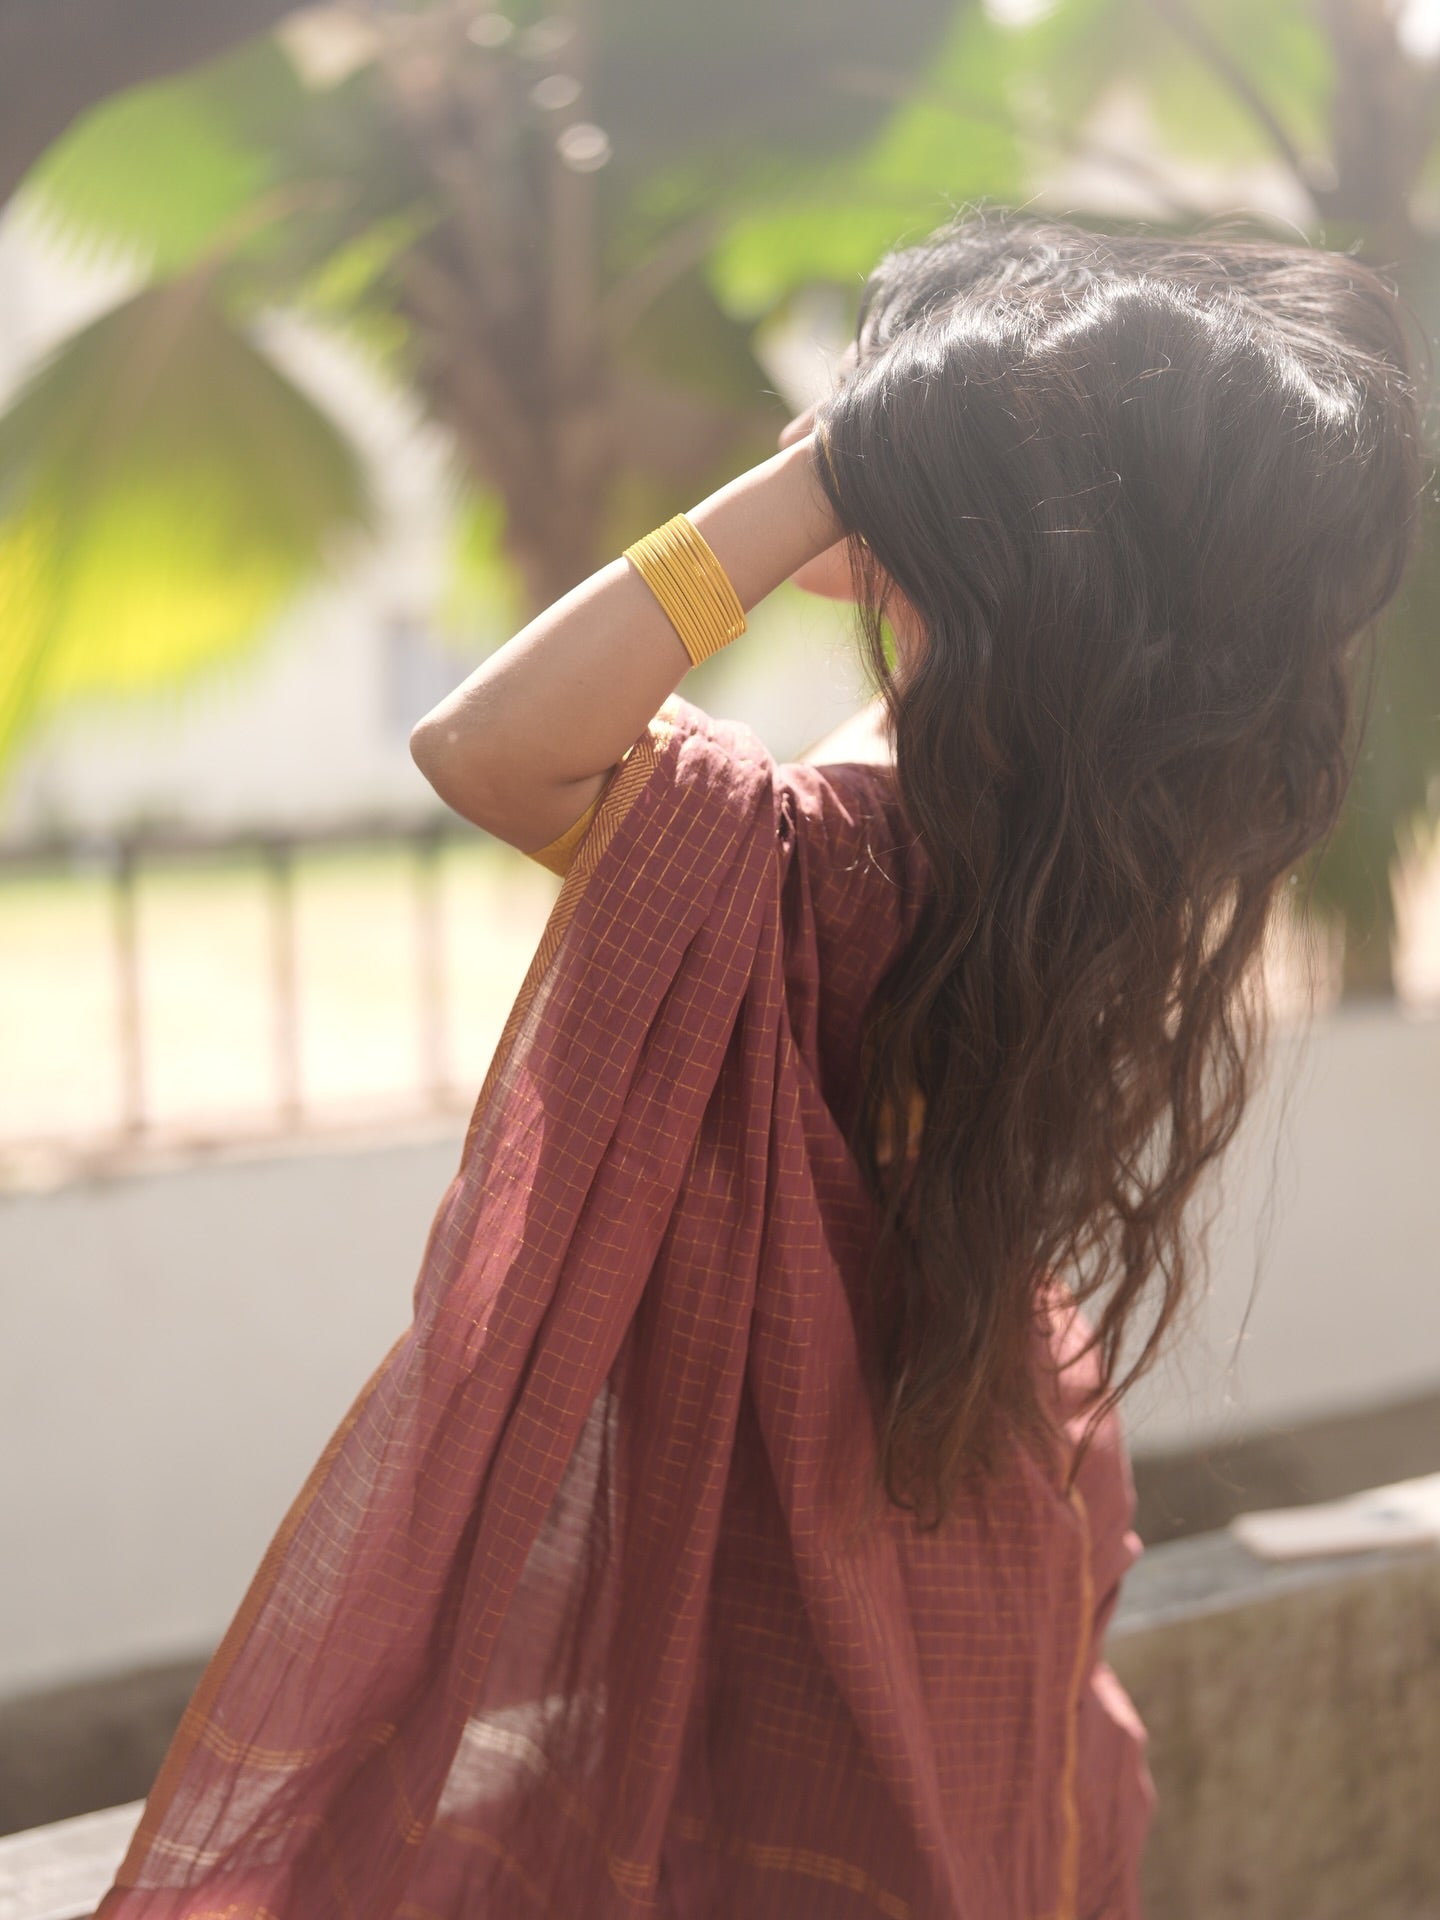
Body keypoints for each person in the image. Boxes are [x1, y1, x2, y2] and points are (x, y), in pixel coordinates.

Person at [94, 209, 1425, 1920]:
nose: (822, 417)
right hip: (966, 1434)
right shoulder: (1058, 810)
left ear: (951, 505)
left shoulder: (855, 839)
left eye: (873, 405)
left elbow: (486, 745)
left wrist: (818, 483)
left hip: (828, 1478)